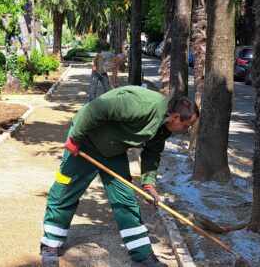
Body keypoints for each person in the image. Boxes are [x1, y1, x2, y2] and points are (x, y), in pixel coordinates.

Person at [40, 86, 199, 266]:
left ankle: (142, 256)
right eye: (186, 126)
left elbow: (152, 153)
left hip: (113, 152)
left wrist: (148, 183)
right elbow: (95, 109)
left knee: (126, 200)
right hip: (85, 143)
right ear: (176, 117)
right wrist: (75, 138)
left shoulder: (165, 125)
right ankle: (50, 245)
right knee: (64, 190)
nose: (185, 130)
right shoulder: (140, 104)